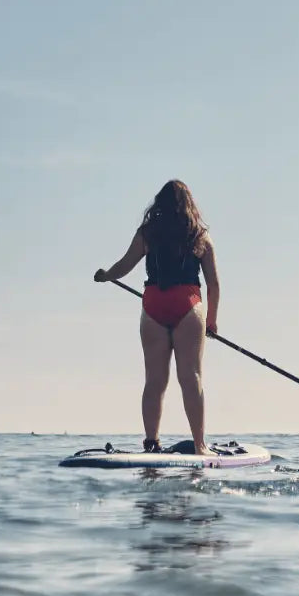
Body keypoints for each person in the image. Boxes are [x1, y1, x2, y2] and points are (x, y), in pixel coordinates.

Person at [92, 180, 221, 454]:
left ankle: (151, 443)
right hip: (188, 304)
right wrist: (212, 321)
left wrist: (106, 276)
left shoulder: (148, 233)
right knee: (191, 377)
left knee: (154, 380)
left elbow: (124, 265)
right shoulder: (200, 235)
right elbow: (214, 284)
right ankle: (200, 446)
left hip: (154, 305)